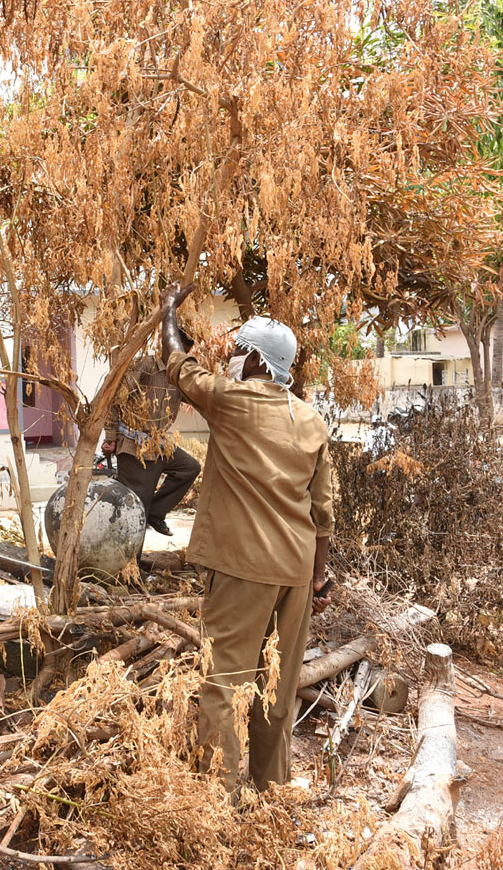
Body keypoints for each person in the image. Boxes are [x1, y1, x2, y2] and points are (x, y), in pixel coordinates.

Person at [160, 284, 334, 793]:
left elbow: (180, 366)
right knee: (276, 687)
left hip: (244, 569)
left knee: (222, 682)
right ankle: (269, 789)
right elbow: (323, 511)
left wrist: (169, 311)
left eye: (238, 352)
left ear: (257, 359)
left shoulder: (235, 401)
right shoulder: (311, 418)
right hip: (297, 573)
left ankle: (222, 796)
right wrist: (320, 578)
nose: (232, 360)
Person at [101, 334, 201, 536]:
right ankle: (131, 565)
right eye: (178, 349)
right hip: (133, 445)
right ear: (166, 345)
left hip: (158, 443)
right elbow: (114, 398)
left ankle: (156, 513)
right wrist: (110, 436)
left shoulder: (178, 374)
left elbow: (197, 397)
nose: (181, 355)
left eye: (185, 352)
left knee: (189, 467)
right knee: (136, 509)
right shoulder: (146, 364)